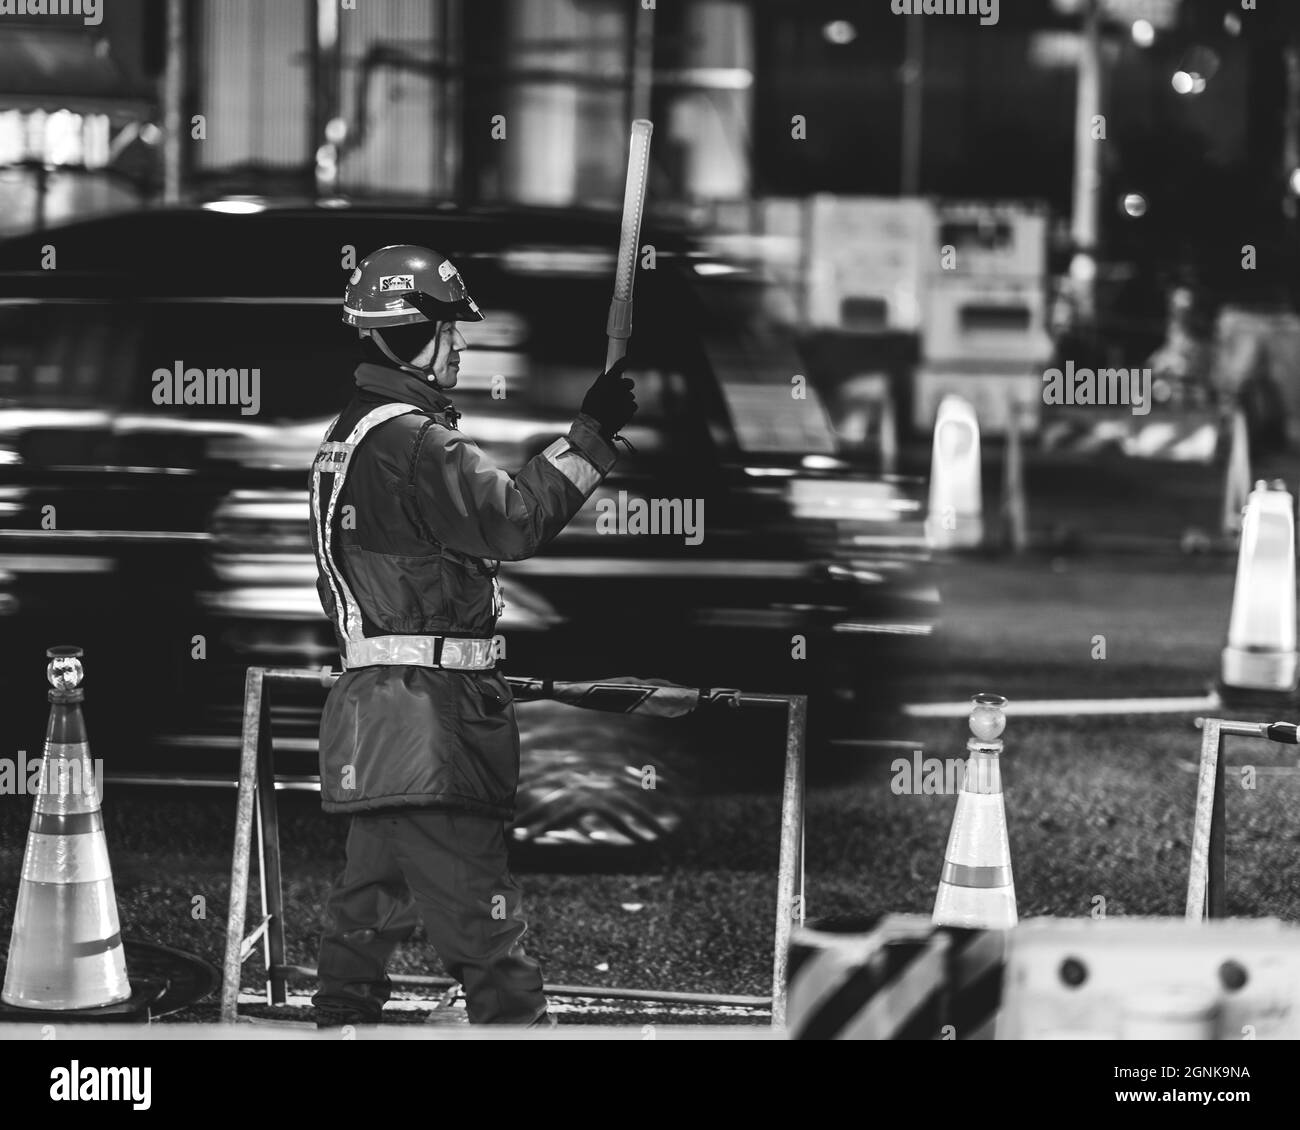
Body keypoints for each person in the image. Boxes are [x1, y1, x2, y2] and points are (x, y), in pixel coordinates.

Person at [307, 244, 636, 1026]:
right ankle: (515, 1026)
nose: (460, 346)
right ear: (402, 331)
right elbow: (516, 521)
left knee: (367, 909)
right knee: (485, 925)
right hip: (434, 724)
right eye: (446, 330)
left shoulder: (346, 436)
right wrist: (592, 435)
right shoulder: (418, 444)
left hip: (374, 718)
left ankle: (340, 1022)